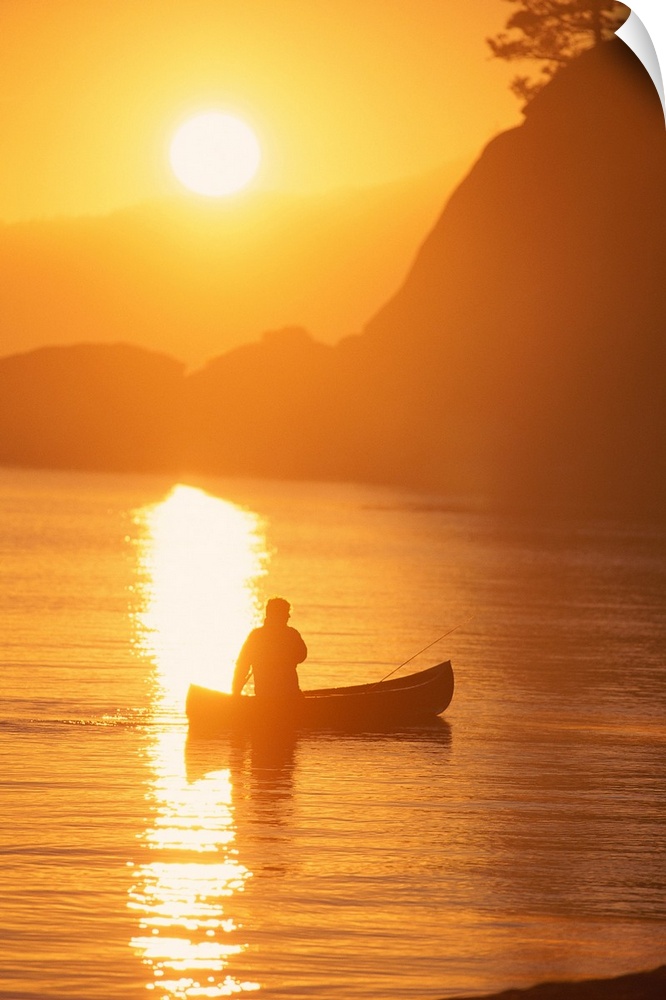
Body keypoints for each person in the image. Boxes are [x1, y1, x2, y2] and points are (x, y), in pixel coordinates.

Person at [232, 597, 307, 700]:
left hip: (266, 694)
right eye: (286, 612)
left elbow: (242, 664)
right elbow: (302, 656)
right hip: (289, 695)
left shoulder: (256, 635)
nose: (288, 616)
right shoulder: (291, 634)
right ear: (278, 615)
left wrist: (235, 691)